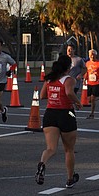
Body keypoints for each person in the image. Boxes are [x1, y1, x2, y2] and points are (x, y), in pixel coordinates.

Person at [35, 54, 82, 188]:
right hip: (66, 113)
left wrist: (53, 95)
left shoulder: (49, 79)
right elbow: (69, 93)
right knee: (69, 149)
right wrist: (77, 102)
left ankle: (42, 163)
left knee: (50, 148)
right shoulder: (69, 79)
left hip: (50, 114)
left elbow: (42, 95)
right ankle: (70, 179)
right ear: (69, 67)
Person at [84, 49, 99, 119]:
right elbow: (87, 72)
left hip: (96, 83)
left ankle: (92, 114)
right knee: (89, 100)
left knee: (93, 99)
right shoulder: (87, 63)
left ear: (95, 55)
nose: (91, 56)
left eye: (93, 55)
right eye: (90, 55)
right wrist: (84, 79)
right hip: (89, 82)